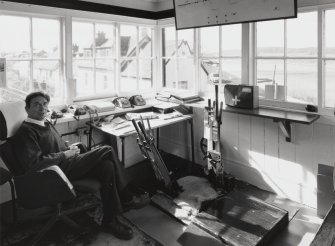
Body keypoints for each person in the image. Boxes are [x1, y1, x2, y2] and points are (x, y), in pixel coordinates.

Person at [11, 91, 150, 240]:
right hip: (55, 174)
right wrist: (64, 155)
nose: (42, 108)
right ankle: (127, 197)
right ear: (27, 109)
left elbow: (57, 145)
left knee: (107, 167)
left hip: (66, 164)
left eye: (44, 104)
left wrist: (69, 148)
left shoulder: (46, 123)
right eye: (36, 105)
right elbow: (35, 165)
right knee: (107, 150)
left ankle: (110, 220)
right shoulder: (26, 132)